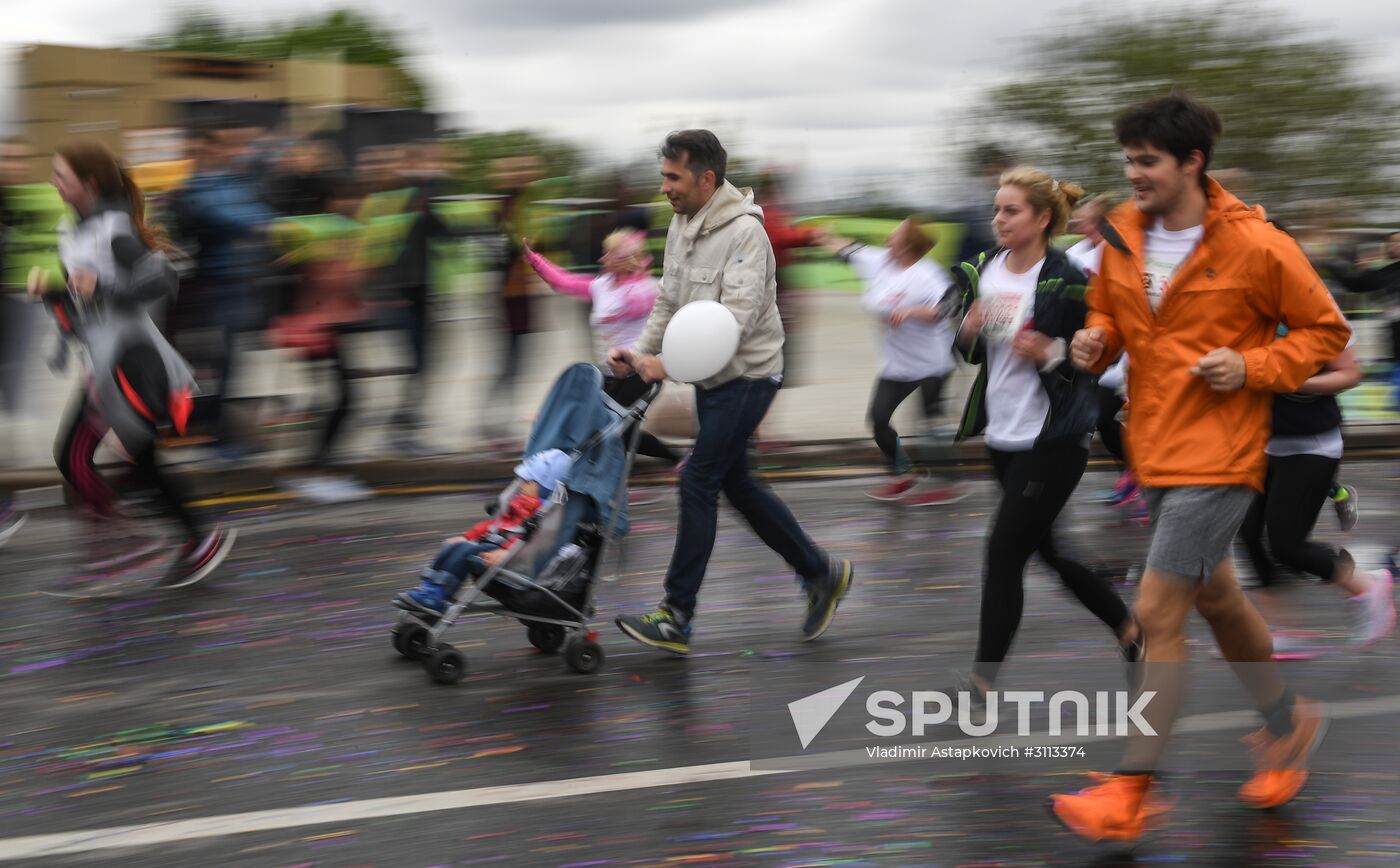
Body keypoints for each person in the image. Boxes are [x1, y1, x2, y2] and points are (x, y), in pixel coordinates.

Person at [1052, 95, 1352, 842]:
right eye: (1128, 160)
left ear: (1193, 163)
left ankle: (1132, 788)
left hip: (1221, 456)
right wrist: (1097, 343)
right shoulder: (1122, 235)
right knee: (1217, 601)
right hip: (1153, 445)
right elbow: (1110, 315)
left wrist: (1253, 364)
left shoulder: (1258, 245)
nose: (1133, 174)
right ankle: (1287, 724)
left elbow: (1327, 332)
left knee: (1157, 617)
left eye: (1147, 161)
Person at [608, 130, 853, 655]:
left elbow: (734, 325)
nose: (664, 188)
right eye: (663, 176)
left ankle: (677, 614)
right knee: (737, 483)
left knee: (698, 479)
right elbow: (668, 301)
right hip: (709, 378)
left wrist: (664, 364)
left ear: (707, 178)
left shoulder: (746, 235)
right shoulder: (680, 225)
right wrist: (638, 353)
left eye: (673, 177)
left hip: (749, 377)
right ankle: (820, 572)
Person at [951, 166, 1139, 699]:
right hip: (1003, 436)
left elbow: (1108, 352)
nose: (999, 219)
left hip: (1053, 439)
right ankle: (1129, 630)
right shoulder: (983, 269)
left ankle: (982, 684)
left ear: (1042, 218)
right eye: (997, 209)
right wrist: (966, 330)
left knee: (1003, 552)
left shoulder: (1070, 277)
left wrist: (1054, 352)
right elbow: (968, 350)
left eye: (1011, 210)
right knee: (1051, 552)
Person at [38, 139, 237, 586]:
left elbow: (163, 280)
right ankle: (179, 541)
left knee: (77, 456)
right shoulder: (71, 233)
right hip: (104, 363)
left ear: (87, 185)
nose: (53, 182)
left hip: (131, 361)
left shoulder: (114, 230)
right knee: (124, 463)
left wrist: (99, 291)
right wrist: (54, 298)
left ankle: (134, 543)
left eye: (61, 176)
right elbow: (82, 304)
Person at [1238, 336, 1394, 642]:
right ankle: (1279, 629)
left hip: (1312, 446)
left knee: (1287, 547)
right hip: (1262, 444)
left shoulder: (1317, 311)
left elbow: (1350, 374)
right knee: (1249, 533)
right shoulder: (1246, 309)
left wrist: (1293, 382)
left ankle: (1367, 587)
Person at [819, 219, 965, 506]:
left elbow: (952, 305)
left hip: (933, 361)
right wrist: (825, 238)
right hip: (898, 364)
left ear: (908, 246)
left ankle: (947, 483)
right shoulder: (879, 261)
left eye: (894, 237)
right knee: (878, 420)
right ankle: (903, 472)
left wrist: (911, 312)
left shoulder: (926, 273)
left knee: (931, 425)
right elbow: (850, 250)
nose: (888, 240)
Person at [522, 229, 682, 471]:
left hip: (639, 373)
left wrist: (637, 270)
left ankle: (675, 461)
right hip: (609, 373)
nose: (601, 259)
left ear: (624, 259)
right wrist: (535, 259)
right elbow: (563, 281)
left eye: (609, 254)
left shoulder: (647, 289)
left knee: (613, 430)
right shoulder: (602, 285)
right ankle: (675, 461)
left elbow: (636, 304)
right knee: (615, 432)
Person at [394, 448, 570, 615]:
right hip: (493, 542)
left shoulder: (542, 514)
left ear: (545, 486)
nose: (522, 485)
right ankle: (429, 589)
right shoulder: (520, 503)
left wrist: (505, 553)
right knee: (455, 547)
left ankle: (438, 595)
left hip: (508, 554)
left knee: (465, 551)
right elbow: (493, 525)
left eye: (528, 481)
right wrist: (467, 536)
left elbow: (533, 542)